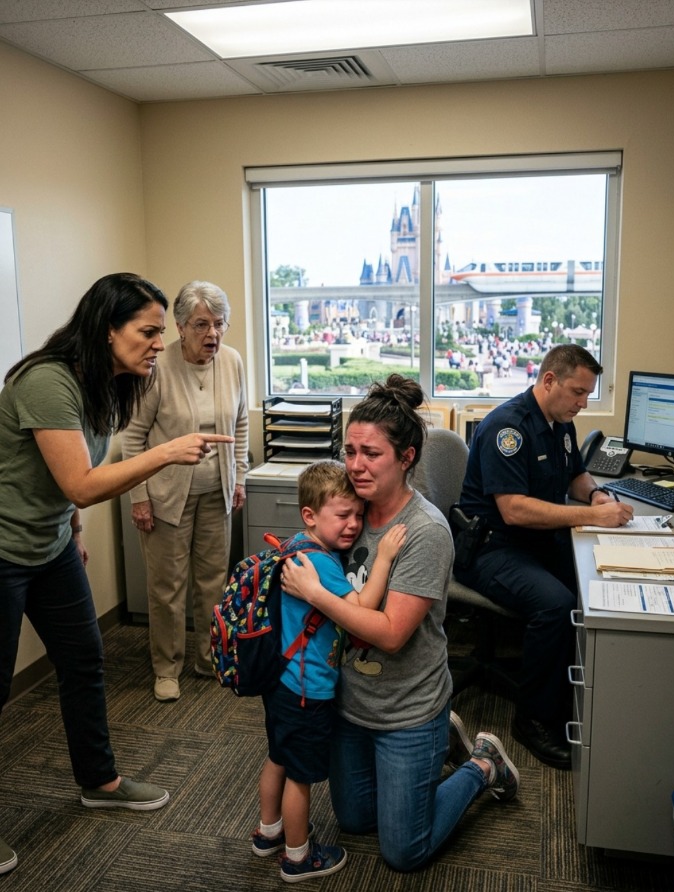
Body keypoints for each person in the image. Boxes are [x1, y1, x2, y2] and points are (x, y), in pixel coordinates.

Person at [0, 272, 235, 875]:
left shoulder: (108, 383)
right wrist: (168, 451)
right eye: (149, 332)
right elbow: (81, 483)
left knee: (84, 660)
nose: (160, 343)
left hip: (48, 544)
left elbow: (64, 484)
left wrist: (71, 534)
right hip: (2, 548)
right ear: (108, 329)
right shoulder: (47, 382)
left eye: (162, 332)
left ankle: (99, 782)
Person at [280, 375, 520, 873]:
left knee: (403, 852)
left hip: (406, 707)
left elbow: (389, 634)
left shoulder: (424, 532)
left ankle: (481, 763)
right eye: (349, 451)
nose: (355, 465)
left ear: (406, 458)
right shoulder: (349, 511)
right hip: (350, 703)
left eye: (371, 454)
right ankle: (443, 741)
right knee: (354, 822)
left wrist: (316, 594)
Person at [454, 344, 633, 769]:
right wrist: (591, 516)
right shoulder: (508, 428)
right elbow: (513, 509)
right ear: (549, 380)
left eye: (588, 394)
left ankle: (573, 692)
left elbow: (573, 473)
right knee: (555, 604)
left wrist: (595, 493)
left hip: (531, 542)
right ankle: (532, 720)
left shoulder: (559, 422)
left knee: (591, 585)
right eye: (577, 392)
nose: (583, 403)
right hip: (490, 547)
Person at [252, 460, 406, 883]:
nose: (354, 524)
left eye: (358, 514)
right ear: (310, 515)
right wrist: (386, 558)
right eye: (343, 515)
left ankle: (268, 832)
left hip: (281, 681)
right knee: (300, 778)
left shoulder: (296, 545)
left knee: (278, 758)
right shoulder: (319, 564)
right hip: (308, 688)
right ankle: (299, 857)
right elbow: (362, 609)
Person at [121, 281, 249, 701]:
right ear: (179, 326)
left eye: (219, 324)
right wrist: (139, 495)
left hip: (217, 492)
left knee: (214, 582)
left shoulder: (232, 361)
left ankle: (209, 658)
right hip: (165, 497)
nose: (212, 334)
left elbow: (241, 424)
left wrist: (240, 478)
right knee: (166, 587)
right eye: (201, 325)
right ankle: (166, 667)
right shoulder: (158, 367)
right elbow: (132, 439)